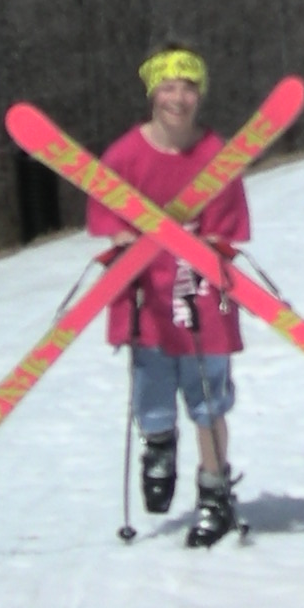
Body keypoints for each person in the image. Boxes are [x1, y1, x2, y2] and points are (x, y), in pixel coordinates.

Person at [92, 44, 250, 547]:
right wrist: (121, 241)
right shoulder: (123, 155)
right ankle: (158, 446)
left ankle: (214, 492)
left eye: (187, 87)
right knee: (152, 391)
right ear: (152, 92)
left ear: (199, 95)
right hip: (147, 298)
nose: (178, 97)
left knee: (207, 399)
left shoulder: (216, 156)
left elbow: (229, 232)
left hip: (200, 295)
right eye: (168, 86)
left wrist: (208, 244)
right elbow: (107, 221)